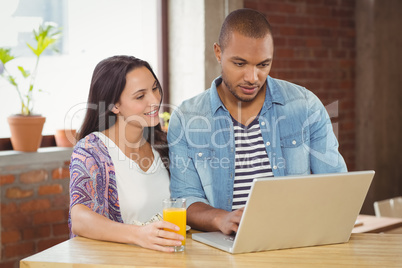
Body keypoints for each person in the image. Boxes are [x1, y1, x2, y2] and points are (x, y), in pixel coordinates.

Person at [167, 9, 347, 235]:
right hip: (224, 250)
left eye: (263, 65)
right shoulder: (186, 118)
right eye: (240, 64)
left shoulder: (305, 106)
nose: (252, 78)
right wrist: (221, 219)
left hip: (295, 239)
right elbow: (185, 198)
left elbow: (335, 186)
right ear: (218, 52)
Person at [69, 55, 184, 252]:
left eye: (155, 88)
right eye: (140, 96)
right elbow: (79, 219)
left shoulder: (162, 144)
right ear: (115, 105)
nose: (155, 100)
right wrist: (139, 235)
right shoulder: (91, 150)